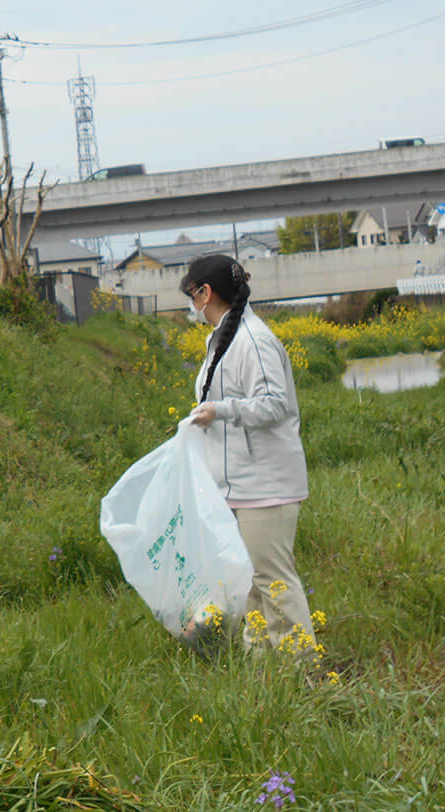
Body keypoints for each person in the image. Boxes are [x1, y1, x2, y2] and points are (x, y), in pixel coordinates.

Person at [183, 254, 317, 658]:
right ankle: (263, 670)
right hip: (238, 484)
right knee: (251, 582)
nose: (191, 305)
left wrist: (221, 409)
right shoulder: (224, 337)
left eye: (192, 295)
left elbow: (275, 403)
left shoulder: (253, 340)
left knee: (273, 580)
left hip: (266, 484)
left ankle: (305, 671)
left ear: (206, 293)